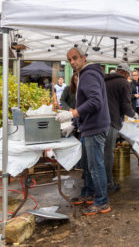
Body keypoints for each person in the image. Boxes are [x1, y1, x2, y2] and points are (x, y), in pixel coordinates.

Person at [57, 47, 111, 216]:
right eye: (69, 60)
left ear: (83, 57)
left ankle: (102, 202)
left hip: (95, 128)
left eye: (75, 58)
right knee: (88, 166)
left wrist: (73, 113)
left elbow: (96, 101)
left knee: (96, 167)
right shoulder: (84, 75)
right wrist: (75, 122)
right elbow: (88, 103)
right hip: (89, 126)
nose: (72, 62)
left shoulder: (88, 74)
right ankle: (88, 193)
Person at [104, 63, 136, 192]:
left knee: (101, 153)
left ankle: (100, 181)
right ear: (126, 73)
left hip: (100, 121)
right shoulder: (123, 83)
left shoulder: (105, 80)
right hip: (111, 121)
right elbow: (126, 106)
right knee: (108, 154)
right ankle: (108, 183)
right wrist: (134, 115)